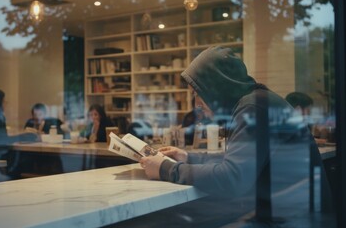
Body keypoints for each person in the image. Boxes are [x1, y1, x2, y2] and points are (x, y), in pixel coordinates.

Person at [139, 47, 327, 213]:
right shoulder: (256, 101)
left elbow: (233, 179)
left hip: (294, 217)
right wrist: (188, 158)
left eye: (198, 94)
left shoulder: (252, 107)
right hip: (292, 209)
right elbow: (236, 163)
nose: (196, 104)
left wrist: (166, 169)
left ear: (216, 87)